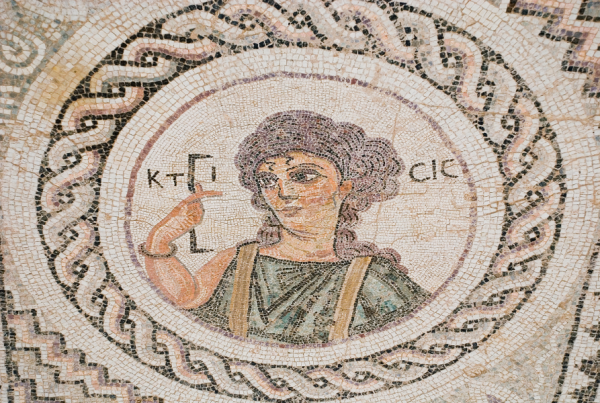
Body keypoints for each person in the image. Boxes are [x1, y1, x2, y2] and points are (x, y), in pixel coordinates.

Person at [140, 110, 430, 344]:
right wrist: (160, 239)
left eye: (303, 176)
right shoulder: (241, 260)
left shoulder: (374, 277)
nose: (283, 193)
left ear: (344, 187)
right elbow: (185, 297)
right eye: (268, 181)